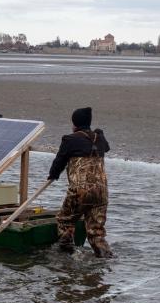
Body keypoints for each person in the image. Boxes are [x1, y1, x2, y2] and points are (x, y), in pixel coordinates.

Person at [47, 107, 113, 258]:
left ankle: (67, 255)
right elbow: (106, 148)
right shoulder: (99, 138)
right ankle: (105, 258)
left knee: (65, 220)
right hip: (101, 193)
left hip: (80, 192)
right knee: (96, 231)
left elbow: (60, 160)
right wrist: (100, 133)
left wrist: (53, 175)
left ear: (74, 123)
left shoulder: (70, 139)